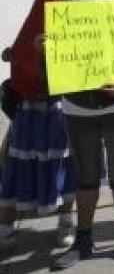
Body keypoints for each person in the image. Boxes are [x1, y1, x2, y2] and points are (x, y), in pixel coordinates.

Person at [53, 0, 114, 270]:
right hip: (78, 110)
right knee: (86, 177)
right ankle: (83, 239)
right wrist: (47, 53)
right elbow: (49, 78)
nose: (83, 2)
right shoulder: (69, 23)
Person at [0, 41, 76, 251]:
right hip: (28, 107)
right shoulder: (34, 18)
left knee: (64, 164)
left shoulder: (72, 19)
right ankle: (4, 227)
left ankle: (66, 222)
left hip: (61, 106)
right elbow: (8, 55)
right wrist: (18, 53)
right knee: (17, 165)